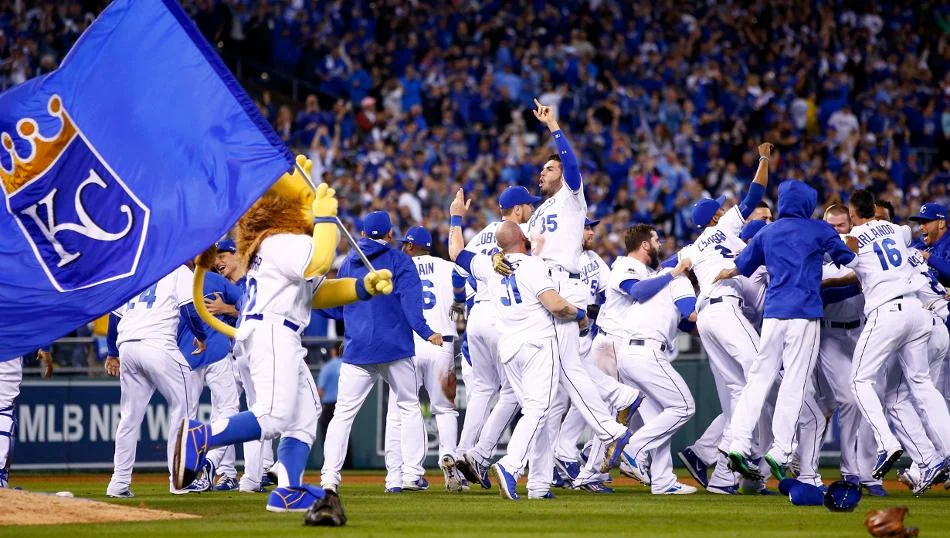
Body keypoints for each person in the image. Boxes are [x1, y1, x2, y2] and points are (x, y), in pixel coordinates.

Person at [173, 170, 393, 516]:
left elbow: (317, 293)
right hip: (273, 330)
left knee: (305, 413)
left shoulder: (274, 244)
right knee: (274, 415)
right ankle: (202, 437)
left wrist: (361, 287)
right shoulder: (284, 240)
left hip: (271, 331)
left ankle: (287, 489)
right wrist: (325, 218)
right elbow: (320, 261)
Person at [448, 191, 588, 501]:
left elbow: (456, 253)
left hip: (505, 340)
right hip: (535, 341)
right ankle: (508, 465)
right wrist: (580, 314)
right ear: (523, 238)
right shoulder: (532, 261)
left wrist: (456, 216)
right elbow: (556, 304)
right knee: (538, 410)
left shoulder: (490, 262)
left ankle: (537, 484)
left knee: (531, 411)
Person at [714, 180, 856, 481]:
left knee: (757, 380)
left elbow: (742, 264)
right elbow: (848, 258)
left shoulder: (768, 231)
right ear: (808, 203)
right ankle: (780, 450)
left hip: (773, 316)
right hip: (804, 314)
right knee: (794, 382)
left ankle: (738, 443)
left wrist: (728, 271)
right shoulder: (818, 229)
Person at [524, 98, 632, 478]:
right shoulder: (538, 212)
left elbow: (571, 165)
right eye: (542, 168)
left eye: (549, 168)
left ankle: (610, 425)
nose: (543, 172)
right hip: (541, 285)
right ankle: (547, 469)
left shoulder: (571, 197)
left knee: (564, 373)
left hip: (563, 283)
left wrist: (553, 127)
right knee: (560, 376)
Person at [320, 210, 442, 493]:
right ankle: (410, 475)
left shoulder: (348, 263)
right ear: (390, 234)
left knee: (342, 415)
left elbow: (337, 308)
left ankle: (329, 479)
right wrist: (426, 332)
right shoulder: (400, 260)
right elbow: (411, 306)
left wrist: (354, 326)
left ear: (362, 234)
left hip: (358, 349)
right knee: (408, 407)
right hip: (395, 348)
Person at [674, 142, 772, 493]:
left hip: (707, 318)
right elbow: (755, 194)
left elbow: (672, 267)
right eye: (719, 208)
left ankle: (722, 477)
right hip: (726, 307)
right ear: (715, 218)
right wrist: (764, 158)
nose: (724, 209)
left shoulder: (689, 248)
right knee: (763, 371)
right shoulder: (725, 227)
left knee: (737, 392)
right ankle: (748, 453)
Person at [842, 190, 950, 494]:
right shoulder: (898, 231)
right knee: (923, 387)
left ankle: (887, 444)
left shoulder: (852, 237)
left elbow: (845, 256)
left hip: (888, 312)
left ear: (853, 214)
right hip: (920, 312)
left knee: (859, 380)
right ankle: (937, 456)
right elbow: (903, 234)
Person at [454, 185, 537, 488]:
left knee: (482, 389)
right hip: (504, 316)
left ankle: (462, 453)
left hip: (477, 315)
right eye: (529, 205)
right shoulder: (523, 233)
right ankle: (481, 454)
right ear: (518, 209)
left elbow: (457, 270)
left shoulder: (482, 235)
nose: (532, 210)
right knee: (513, 393)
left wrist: (455, 218)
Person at [610, 224, 698, 494]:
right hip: (646, 353)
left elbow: (685, 324)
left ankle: (662, 481)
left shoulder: (658, 281)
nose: (659, 244)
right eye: (656, 240)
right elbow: (692, 315)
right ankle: (633, 450)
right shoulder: (679, 281)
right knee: (684, 407)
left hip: (629, 354)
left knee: (661, 419)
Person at [105, 265, 206, 497]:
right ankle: (180, 480)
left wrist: (112, 352)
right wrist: (201, 336)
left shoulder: (137, 270)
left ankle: (118, 483)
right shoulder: (178, 269)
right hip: (157, 344)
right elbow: (189, 310)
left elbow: (114, 316)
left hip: (127, 346)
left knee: (129, 418)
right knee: (185, 409)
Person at [383, 226, 466, 493]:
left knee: (400, 412)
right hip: (441, 344)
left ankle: (405, 474)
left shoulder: (397, 269)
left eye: (404, 244)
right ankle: (449, 458)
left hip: (407, 346)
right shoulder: (448, 268)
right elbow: (466, 300)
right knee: (445, 410)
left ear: (410, 246)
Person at [206, 238, 275, 493]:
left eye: (223, 255)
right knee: (227, 413)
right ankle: (227, 472)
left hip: (253, 351)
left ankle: (261, 469)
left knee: (260, 411)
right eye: (216, 257)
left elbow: (253, 310)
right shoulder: (221, 285)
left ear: (238, 255)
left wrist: (226, 308)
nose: (218, 261)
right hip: (230, 355)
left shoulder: (252, 279)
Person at [176, 261, 244, 492]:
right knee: (228, 410)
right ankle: (211, 462)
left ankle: (182, 474)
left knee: (185, 416)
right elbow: (249, 302)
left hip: (185, 354)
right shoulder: (216, 281)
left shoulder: (171, 279)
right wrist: (227, 308)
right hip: (215, 350)